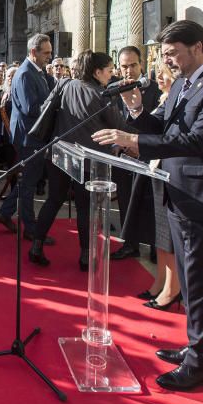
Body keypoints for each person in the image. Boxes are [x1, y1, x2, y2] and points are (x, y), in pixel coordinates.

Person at [94, 20, 203, 391]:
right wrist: (134, 112)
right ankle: (201, 348)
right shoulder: (181, 84)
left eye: (172, 54)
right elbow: (158, 126)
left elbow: (198, 140)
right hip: (179, 195)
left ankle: (201, 363)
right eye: (163, 56)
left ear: (196, 47)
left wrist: (133, 138)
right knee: (192, 282)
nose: (168, 62)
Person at [32, 51, 128, 269]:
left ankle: (36, 245)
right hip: (88, 159)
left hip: (59, 153)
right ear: (97, 72)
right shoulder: (101, 95)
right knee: (85, 207)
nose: (112, 75)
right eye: (110, 71)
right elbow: (120, 126)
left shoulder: (64, 84)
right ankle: (85, 256)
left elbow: (43, 108)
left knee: (53, 200)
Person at [0, 34, 55, 241]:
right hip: (30, 137)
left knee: (28, 180)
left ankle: (4, 212)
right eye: (46, 53)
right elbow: (31, 108)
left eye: (50, 52)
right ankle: (30, 228)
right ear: (33, 52)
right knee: (28, 183)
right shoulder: (27, 73)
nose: (49, 56)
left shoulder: (36, 71)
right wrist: (55, 103)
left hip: (33, 135)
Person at [129, 62, 182, 309]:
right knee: (161, 234)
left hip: (173, 171)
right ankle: (160, 280)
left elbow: (168, 137)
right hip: (156, 168)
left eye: (164, 72)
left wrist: (132, 140)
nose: (158, 76)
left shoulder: (181, 97)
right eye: (158, 72)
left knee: (170, 237)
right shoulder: (164, 98)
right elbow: (152, 126)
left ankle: (172, 289)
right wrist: (136, 108)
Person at [111, 46, 163, 261]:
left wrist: (138, 144)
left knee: (150, 202)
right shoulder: (113, 89)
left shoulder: (154, 90)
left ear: (141, 64)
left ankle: (154, 247)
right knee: (125, 200)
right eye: (124, 66)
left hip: (147, 155)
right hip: (122, 155)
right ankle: (130, 244)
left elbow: (156, 123)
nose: (128, 70)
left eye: (133, 65)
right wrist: (119, 145)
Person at [0, 66, 18, 169]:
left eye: (13, 76)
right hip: (4, 132)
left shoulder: (19, 93)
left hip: (15, 133)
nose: (10, 78)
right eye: (8, 76)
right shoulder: (5, 93)